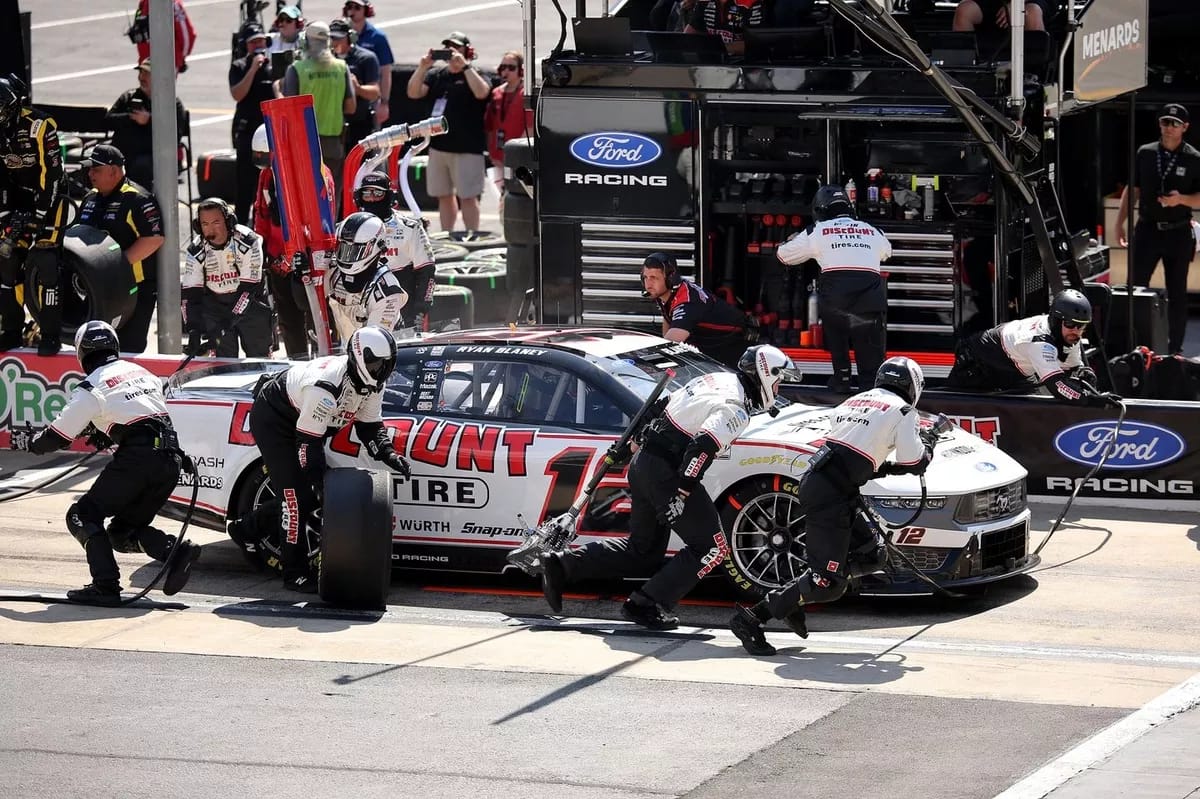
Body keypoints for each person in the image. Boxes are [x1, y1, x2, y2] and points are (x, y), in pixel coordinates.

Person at [540, 344, 799, 629]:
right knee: (712, 548)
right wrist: (683, 492)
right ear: (765, 374)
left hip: (645, 464)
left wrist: (631, 446)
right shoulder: (735, 409)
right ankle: (646, 604)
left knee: (643, 552)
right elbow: (701, 447)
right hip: (668, 475)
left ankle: (562, 564)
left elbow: (660, 408)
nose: (778, 389)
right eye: (779, 381)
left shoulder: (715, 379)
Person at [729, 357, 930, 656]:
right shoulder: (903, 411)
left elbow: (856, 456)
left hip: (827, 485)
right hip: (830, 496)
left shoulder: (855, 400)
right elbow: (914, 461)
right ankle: (752, 618)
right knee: (828, 583)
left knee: (873, 554)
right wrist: (930, 444)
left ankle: (795, 595)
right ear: (913, 387)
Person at [11, 321, 200, 605]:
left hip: (139, 458)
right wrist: (104, 432)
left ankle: (105, 585)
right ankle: (174, 552)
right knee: (122, 533)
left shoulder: (91, 386)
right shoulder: (141, 372)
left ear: (82, 353)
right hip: (171, 460)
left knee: (82, 515)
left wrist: (30, 442)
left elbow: (57, 436)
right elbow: (139, 414)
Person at [226, 326, 410, 592]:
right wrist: (323, 486)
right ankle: (294, 574)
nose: (381, 370)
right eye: (376, 364)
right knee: (296, 500)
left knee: (306, 495)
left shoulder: (372, 385)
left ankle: (246, 529)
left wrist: (389, 454)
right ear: (360, 357)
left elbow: (369, 427)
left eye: (386, 365)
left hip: (305, 422)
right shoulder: (325, 387)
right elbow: (308, 446)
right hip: (276, 420)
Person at [777, 184, 893, 391]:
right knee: (871, 368)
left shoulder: (816, 231)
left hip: (836, 305)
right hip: (869, 304)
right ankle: (870, 391)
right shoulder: (873, 230)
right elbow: (887, 252)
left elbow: (784, 256)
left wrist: (791, 240)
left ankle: (842, 378)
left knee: (836, 335)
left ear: (819, 209)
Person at [1115, 103, 1200, 356]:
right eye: (1165, 122)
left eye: (1174, 123)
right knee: (1135, 288)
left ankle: (1175, 350)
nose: (1169, 128)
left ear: (1185, 127)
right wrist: (1120, 223)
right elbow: (1133, 190)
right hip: (1148, 229)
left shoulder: (1194, 158)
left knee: (1177, 294)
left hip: (1178, 231)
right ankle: (1133, 346)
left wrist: (1180, 200)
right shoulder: (1146, 152)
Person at [946, 288, 1121, 406]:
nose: (1076, 331)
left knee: (1034, 402)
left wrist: (1085, 376)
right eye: (1070, 324)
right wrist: (1092, 400)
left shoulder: (1067, 334)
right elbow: (1059, 387)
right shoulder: (1040, 343)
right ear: (1057, 320)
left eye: (1081, 326)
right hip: (976, 364)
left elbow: (1074, 369)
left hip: (1011, 369)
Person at [250, 124, 336, 357]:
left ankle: (325, 364)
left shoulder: (315, 174)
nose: (265, 165)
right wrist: (263, 252)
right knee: (288, 323)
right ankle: (296, 367)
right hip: (279, 263)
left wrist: (294, 258)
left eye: (268, 159)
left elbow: (316, 221)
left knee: (318, 320)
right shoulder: (267, 175)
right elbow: (262, 213)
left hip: (310, 261)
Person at [0, 74, 68, 355]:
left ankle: (51, 333)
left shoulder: (40, 126)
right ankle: (13, 330)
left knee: (45, 262)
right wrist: (5, 214)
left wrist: (39, 215)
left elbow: (51, 176)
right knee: (7, 260)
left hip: (50, 201)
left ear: (13, 105)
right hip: (18, 201)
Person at [75, 144, 165, 354]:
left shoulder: (137, 198)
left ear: (113, 170)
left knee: (128, 348)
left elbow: (154, 238)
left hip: (134, 288)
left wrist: (115, 266)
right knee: (95, 346)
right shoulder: (89, 199)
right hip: (96, 287)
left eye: (95, 169)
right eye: (89, 169)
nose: (90, 174)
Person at [407, 32, 491, 232]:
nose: (452, 52)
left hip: (467, 147)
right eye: (448, 48)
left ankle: (473, 235)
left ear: (467, 51)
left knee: (468, 196)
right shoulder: (437, 75)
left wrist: (465, 67)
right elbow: (413, 92)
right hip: (439, 147)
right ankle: (447, 234)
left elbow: (482, 92)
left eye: (457, 48)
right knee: (443, 195)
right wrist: (423, 67)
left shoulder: (475, 73)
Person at [182, 198, 272, 359]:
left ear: (229, 221)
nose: (210, 230)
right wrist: (193, 330)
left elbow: (248, 291)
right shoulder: (196, 250)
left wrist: (225, 324)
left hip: (251, 303)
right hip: (216, 306)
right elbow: (190, 296)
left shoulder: (249, 241)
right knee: (223, 364)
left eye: (216, 222)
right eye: (205, 224)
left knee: (260, 359)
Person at [281, 21, 355, 209]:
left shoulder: (297, 70)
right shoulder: (341, 68)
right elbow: (350, 106)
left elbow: (288, 110)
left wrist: (277, 92)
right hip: (333, 143)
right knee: (331, 196)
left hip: (304, 143)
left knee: (305, 197)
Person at [353, 172, 436, 331]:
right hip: (360, 305)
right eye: (366, 193)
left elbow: (427, 269)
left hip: (402, 305)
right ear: (359, 197)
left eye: (377, 193)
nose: (371, 198)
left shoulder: (409, 227)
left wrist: (421, 308)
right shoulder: (349, 227)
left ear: (389, 196)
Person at [641, 251, 752, 368]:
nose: (648, 283)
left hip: (735, 352)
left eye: (654, 277)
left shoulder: (687, 303)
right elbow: (667, 330)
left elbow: (669, 345)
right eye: (645, 277)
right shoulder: (668, 293)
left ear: (670, 278)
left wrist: (642, 365)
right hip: (712, 350)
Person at [106, 58, 188, 192]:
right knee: (101, 162)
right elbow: (108, 121)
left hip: (153, 155)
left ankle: (141, 205)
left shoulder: (172, 103)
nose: (141, 77)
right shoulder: (129, 97)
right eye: (141, 73)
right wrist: (130, 117)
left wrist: (149, 121)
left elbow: (175, 136)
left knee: (141, 166)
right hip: (124, 151)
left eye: (147, 74)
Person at [327, 212, 408, 343]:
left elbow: (374, 345)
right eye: (344, 248)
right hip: (344, 350)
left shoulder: (387, 292)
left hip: (384, 355)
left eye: (355, 251)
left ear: (377, 247)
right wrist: (301, 276)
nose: (348, 257)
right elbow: (305, 302)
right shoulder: (333, 271)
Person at [229, 21, 279, 224]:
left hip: (270, 131)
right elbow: (237, 94)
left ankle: (271, 221)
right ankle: (241, 223)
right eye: (253, 42)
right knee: (245, 183)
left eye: (260, 40)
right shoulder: (239, 66)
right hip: (248, 132)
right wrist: (252, 69)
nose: (258, 45)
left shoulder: (274, 64)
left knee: (273, 181)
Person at [483, 51, 533, 203]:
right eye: (503, 67)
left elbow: (529, 128)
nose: (506, 72)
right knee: (502, 199)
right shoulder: (496, 93)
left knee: (517, 199)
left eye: (511, 67)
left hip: (517, 158)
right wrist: (493, 154)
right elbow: (491, 127)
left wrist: (517, 154)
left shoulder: (526, 94)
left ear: (521, 70)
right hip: (499, 156)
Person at [330, 17, 381, 151]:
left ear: (350, 37)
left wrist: (357, 88)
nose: (335, 43)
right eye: (332, 38)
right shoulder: (327, 61)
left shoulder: (366, 58)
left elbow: (375, 92)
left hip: (359, 123)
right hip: (333, 124)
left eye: (339, 38)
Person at [341, 0, 394, 125]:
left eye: (357, 7)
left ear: (366, 10)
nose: (352, 11)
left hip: (369, 99)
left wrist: (384, 102)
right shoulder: (340, 36)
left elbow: (385, 72)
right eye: (349, 7)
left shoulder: (378, 37)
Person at [129, 0, 195, 74]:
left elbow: (186, 37)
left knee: (163, 84)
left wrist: (180, 59)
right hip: (147, 64)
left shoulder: (172, 5)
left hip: (166, 64)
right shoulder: (144, 3)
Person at [684, 0, 768, 56]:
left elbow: (755, 44)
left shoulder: (753, 2)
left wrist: (713, 48)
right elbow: (691, 32)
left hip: (745, 65)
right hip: (710, 62)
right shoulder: (704, 1)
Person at [952, 0, 1047, 32]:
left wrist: (1016, 4)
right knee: (965, 10)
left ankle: (1034, 73)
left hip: (1034, 2)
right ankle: (964, 72)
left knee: (1032, 12)